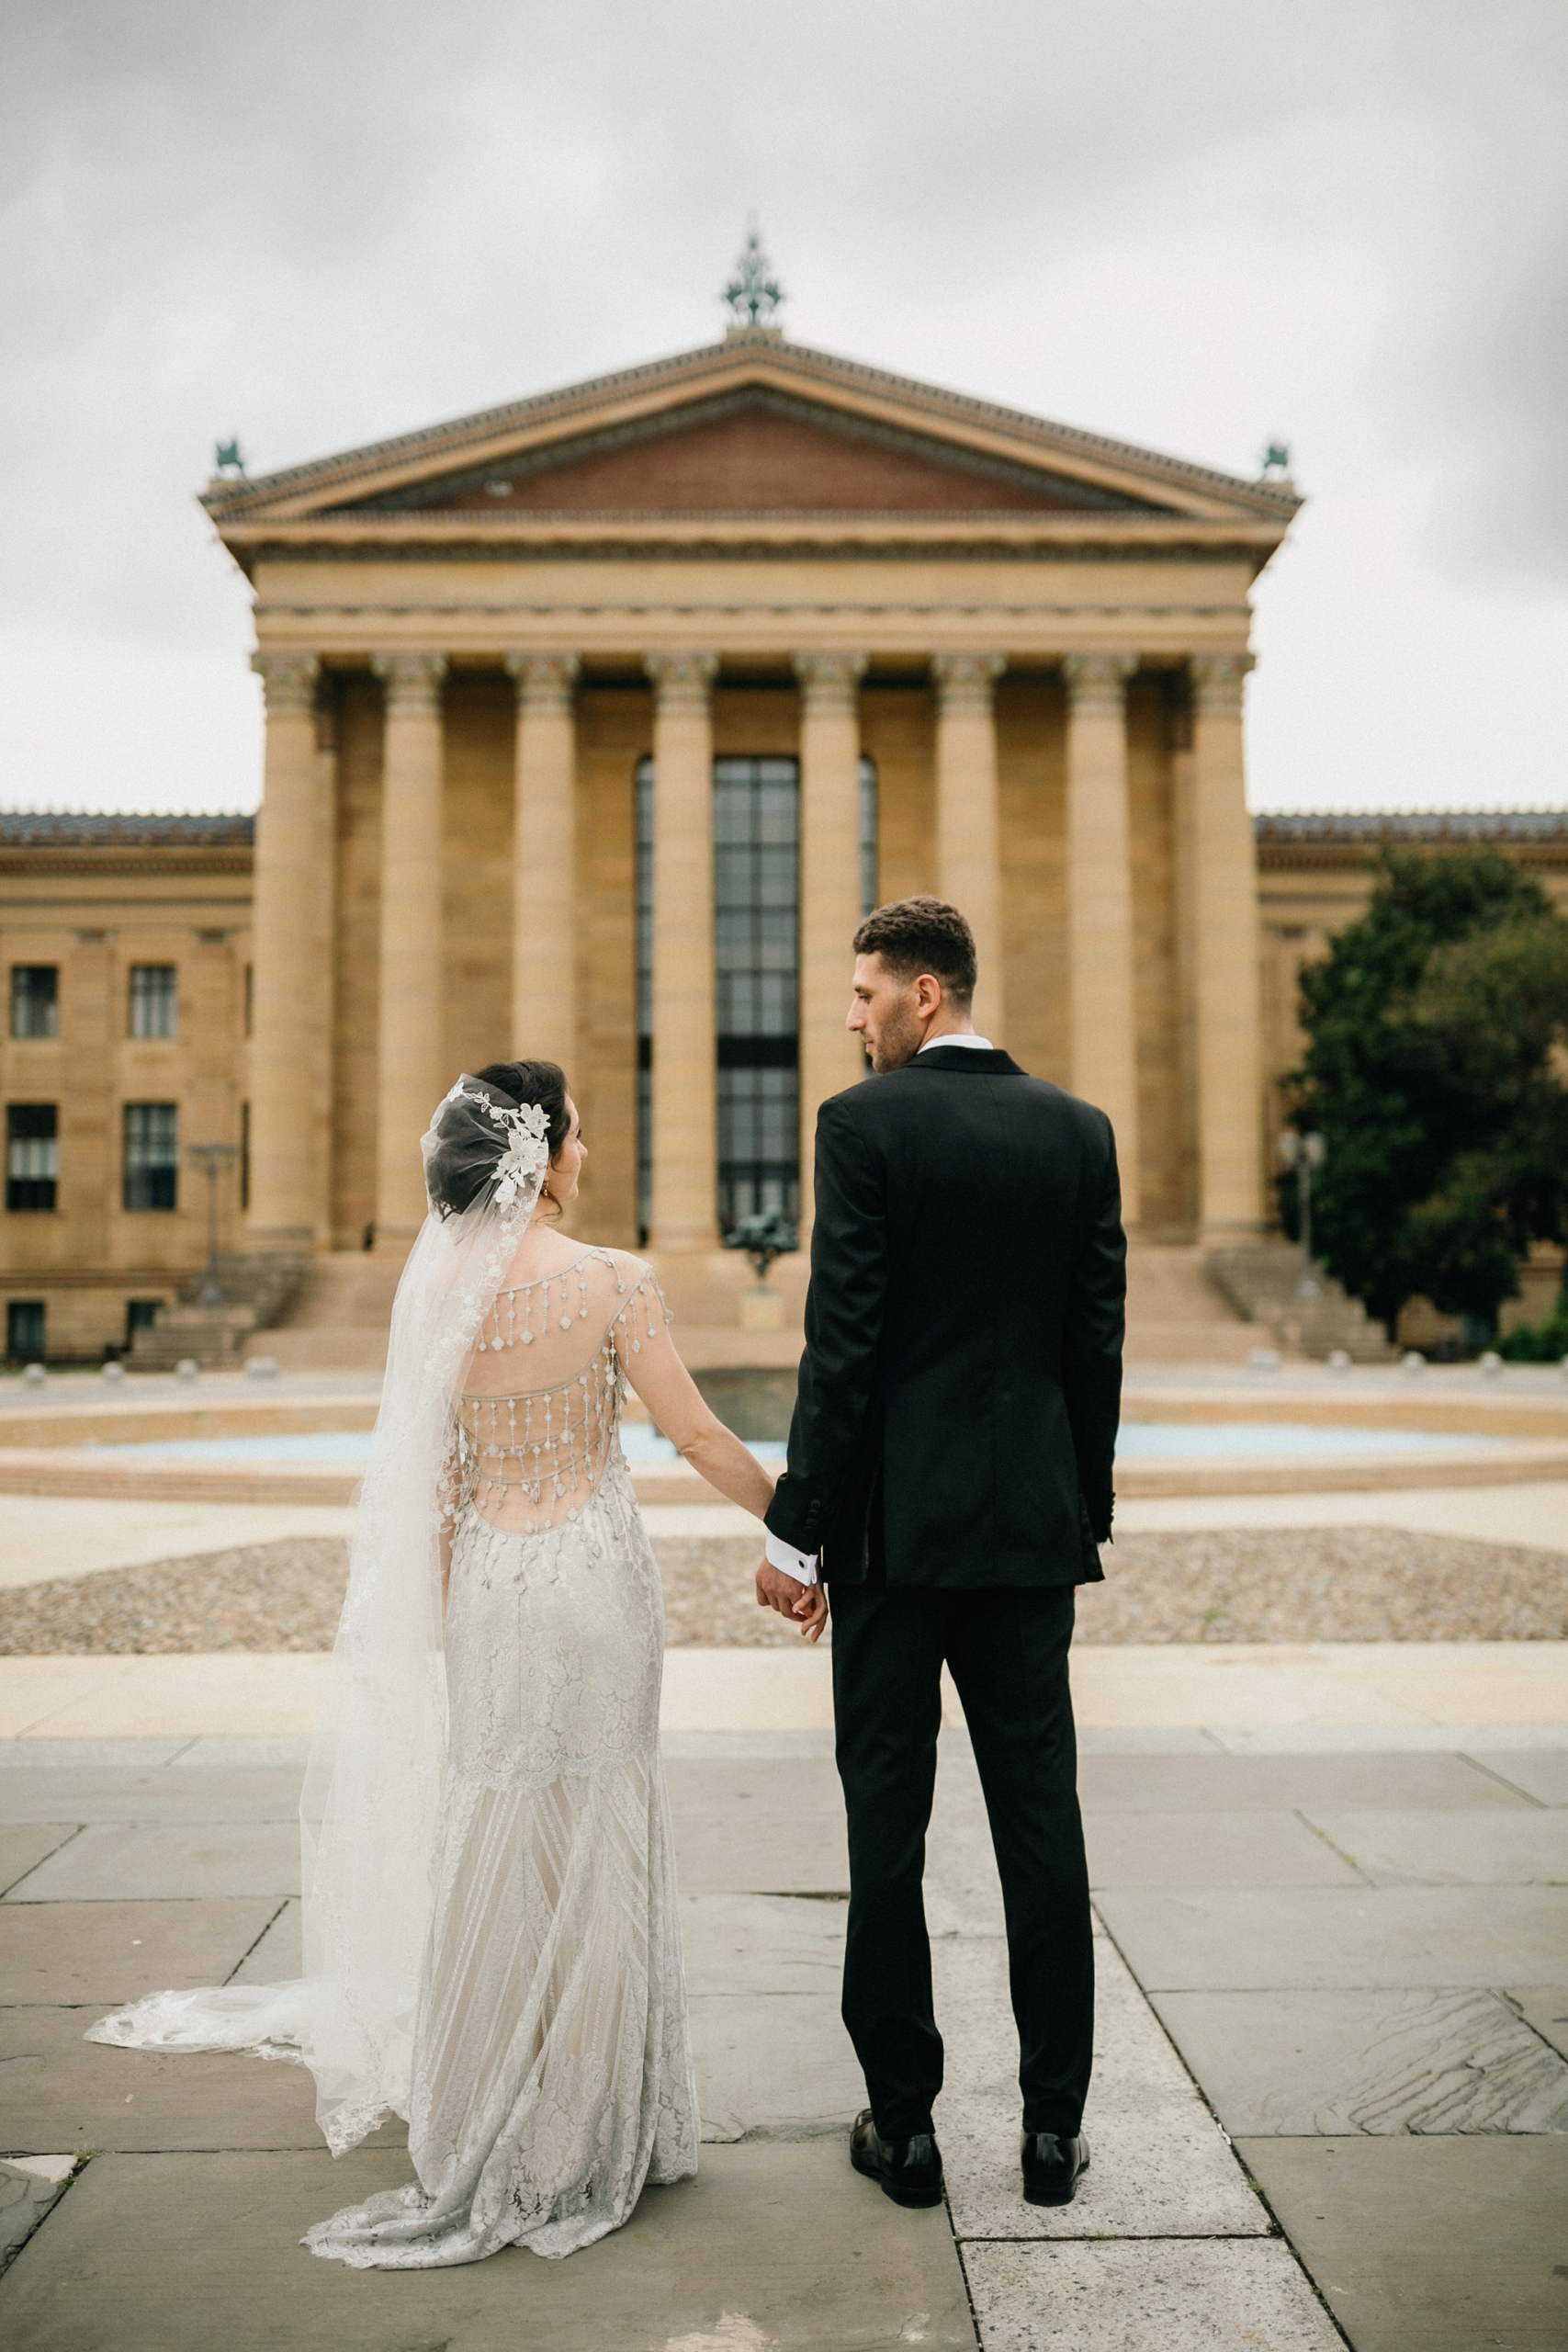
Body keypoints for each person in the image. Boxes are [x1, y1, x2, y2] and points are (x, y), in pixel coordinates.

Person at [89, 1060, 799, 2267]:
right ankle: (599, 2118)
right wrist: (799, 1526)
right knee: (601, 1827)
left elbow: (433, 1490)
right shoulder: (615, 1281)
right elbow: (695, 1436)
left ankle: (484, 2106)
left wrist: (432, 1621)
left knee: (494, 1830)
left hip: (489, 1588)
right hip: (591, 1581)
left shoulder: (436, 1306)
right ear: (543, 1156)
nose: (584, 1151)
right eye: (573, 1134)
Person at [758, 897, 1125, 2212]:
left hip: (897, 1547)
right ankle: (1050, 2131)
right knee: (1044, 1828)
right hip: (1029, 1541)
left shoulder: (863, 1128)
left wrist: (799, 1527)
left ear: (925, 994)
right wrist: (1078, 1506)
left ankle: (905, 2130)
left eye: (864, 995)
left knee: (887, 1832)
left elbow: (844, 1346)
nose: (850, 1019)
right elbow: (1096, 1345)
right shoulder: (1079, 1132)